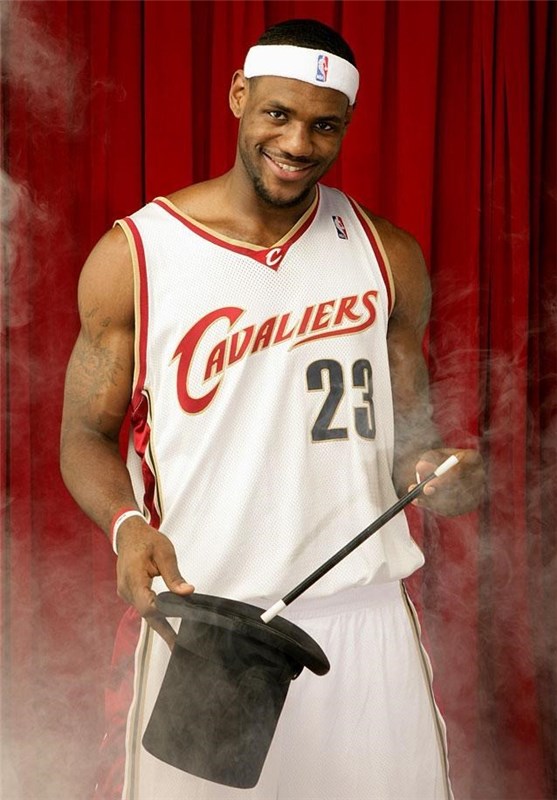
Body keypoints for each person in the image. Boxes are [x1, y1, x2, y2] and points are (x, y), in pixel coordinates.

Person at [60, 17, 484, 800]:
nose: (296, 143)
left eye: (324, 125)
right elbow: (84, 433)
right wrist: (127, 527)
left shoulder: (387, 255)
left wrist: (438, 473)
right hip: (209, 622)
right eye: (277, 114)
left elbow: (408, 446)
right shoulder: (137, 256)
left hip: (362, 619)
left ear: (346, 125)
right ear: (237, 97)